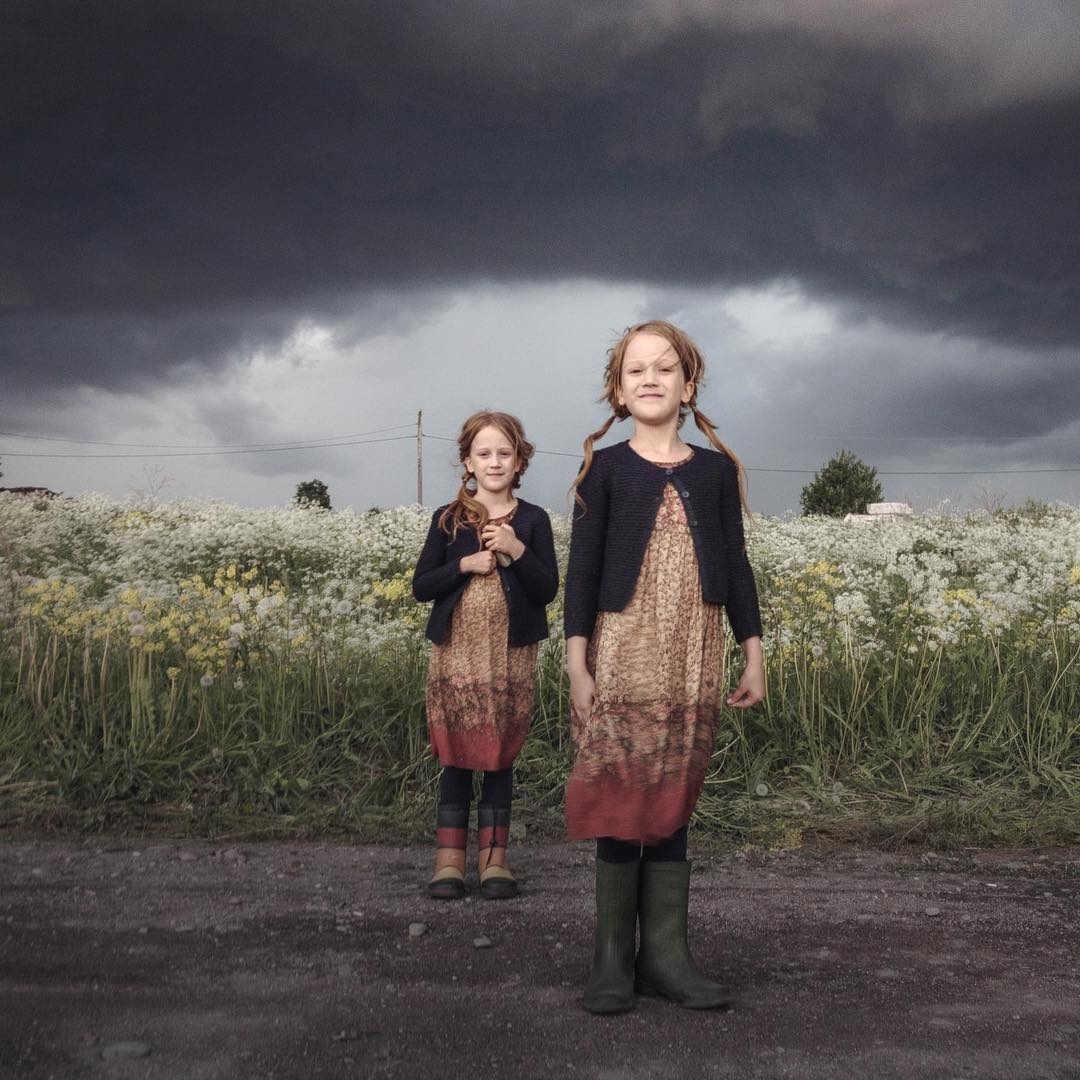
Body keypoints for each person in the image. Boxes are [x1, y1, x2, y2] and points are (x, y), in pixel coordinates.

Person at [564, 320, 764, 1014]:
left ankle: (668, 958)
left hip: (694, 652)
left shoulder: (714, 471)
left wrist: (753, 652)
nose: (651, 379)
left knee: (673, 792)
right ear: (618, 392)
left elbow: (737, 567)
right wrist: (577, 663)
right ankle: (613, 959)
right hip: (623, 651)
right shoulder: (606, 469)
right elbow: (582, 571)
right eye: (635, 371)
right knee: (625, 792)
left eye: (665, 368)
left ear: (689, 383)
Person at [413, 410, 559, 900]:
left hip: (509, 659)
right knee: (456, 757)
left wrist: (517, 549)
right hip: (457, 657)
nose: (494, 462)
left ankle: (495, 860)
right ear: (468, 463)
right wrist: (464, 564)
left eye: (504, 453)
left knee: (498, 758)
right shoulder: (448, 519)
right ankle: (449, 862)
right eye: (484, 454)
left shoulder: (533, 520)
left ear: (520, 461)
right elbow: (421, 586)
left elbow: (546, 590)